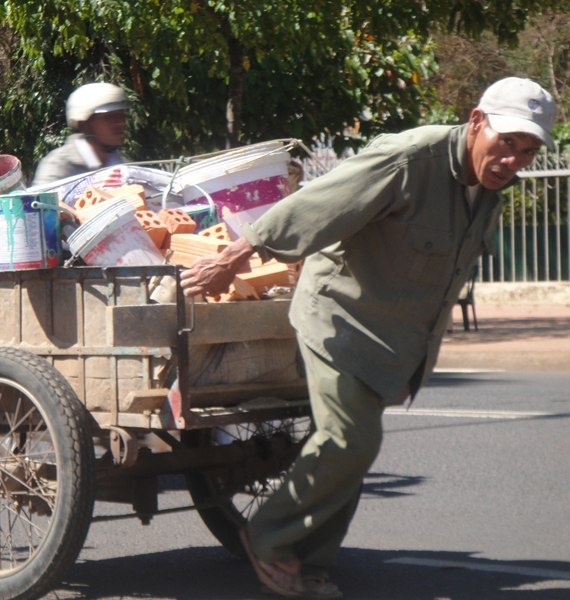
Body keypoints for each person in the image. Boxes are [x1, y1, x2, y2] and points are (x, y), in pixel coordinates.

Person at [180, 77, 556, 599]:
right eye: (506, 142)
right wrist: (230, 258)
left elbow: (444, 285)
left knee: (351, 453)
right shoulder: (409, 160)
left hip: (391, 336)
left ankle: (308, 569)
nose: (512, 159)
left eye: (527, 151)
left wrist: (415, 362)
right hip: (338, 315)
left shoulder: (490, 192)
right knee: (350, 439)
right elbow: (318, 203)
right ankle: (267, 537)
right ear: (476, 123)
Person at [32, 82, 129, 186]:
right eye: (109, 117)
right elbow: (40, 200)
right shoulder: (58, 166)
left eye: (121, 116)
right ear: (84, 124)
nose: (120, 123)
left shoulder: (122, 166)